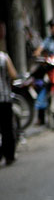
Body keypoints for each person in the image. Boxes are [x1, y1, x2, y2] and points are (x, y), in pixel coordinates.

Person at [0, 29, 18, 166]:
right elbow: (13, 75)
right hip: (4, 98)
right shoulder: (3, 58)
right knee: (7, 128)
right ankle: (9, 156)